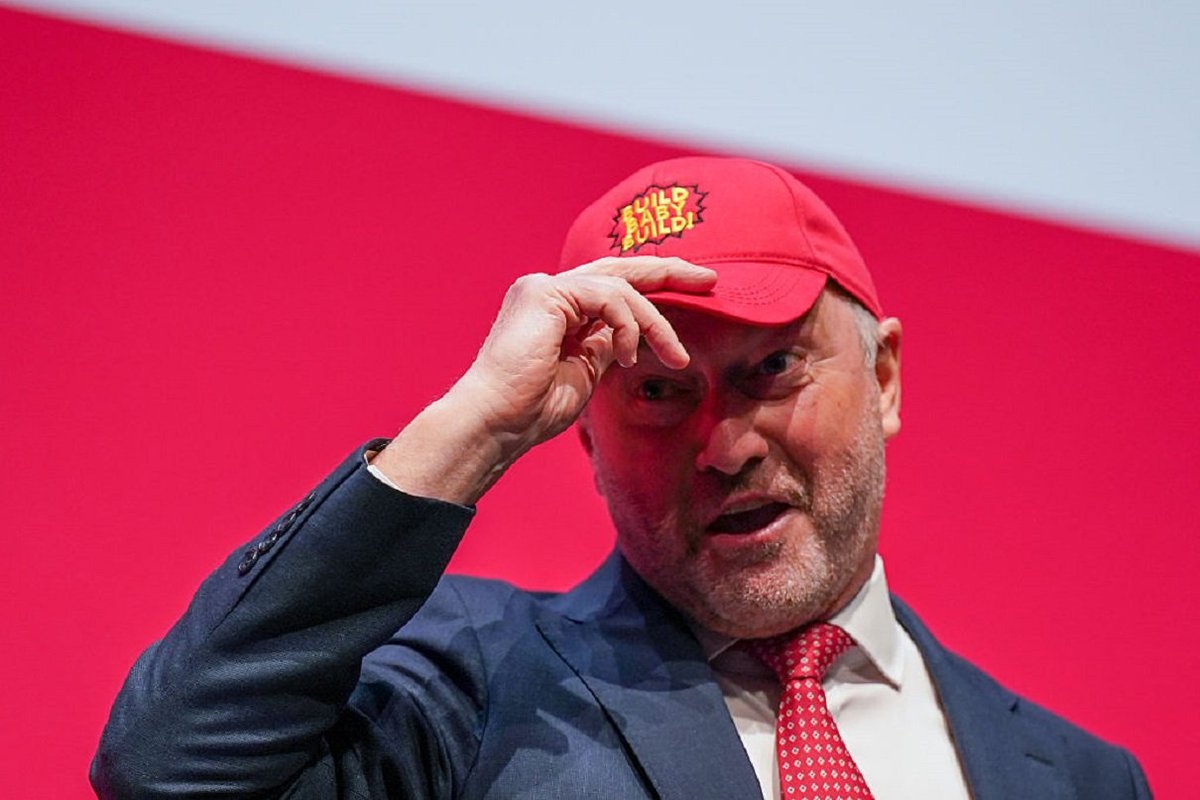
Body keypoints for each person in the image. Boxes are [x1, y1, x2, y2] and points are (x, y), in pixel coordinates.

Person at [91, 157, 1151, 799]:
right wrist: (472, 425)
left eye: (771, 368)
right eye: (656, 393)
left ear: (881, 376)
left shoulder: (1088, 777)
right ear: (587, 444)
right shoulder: (468, 684)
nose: (724, 443)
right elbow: (169, 766)